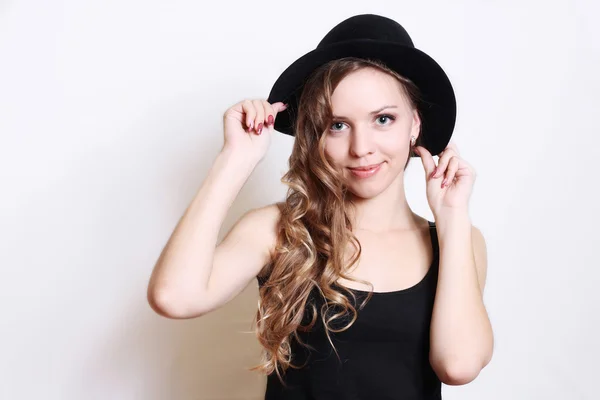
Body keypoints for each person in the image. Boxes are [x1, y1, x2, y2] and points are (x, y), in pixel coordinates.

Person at [147, 13, 494, 400]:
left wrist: (452, 218)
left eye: (383, 119)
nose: (361, 148)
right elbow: (174, 297)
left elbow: (459, 366)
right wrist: (235, 160)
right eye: (337, 125)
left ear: (414, 124)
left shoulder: (458, 240)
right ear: (315, 134)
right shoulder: (278, 229)